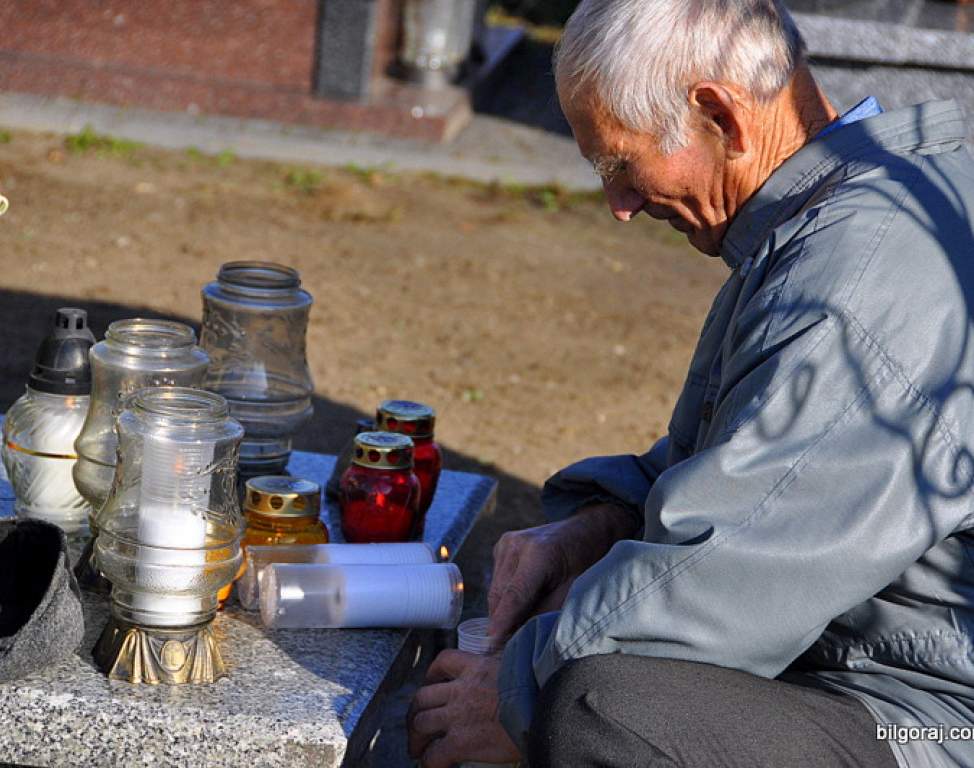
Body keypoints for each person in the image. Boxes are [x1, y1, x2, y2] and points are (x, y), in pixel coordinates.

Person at [407, 0, 974, 765]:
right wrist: (604, 520)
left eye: (620, 164)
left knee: (598, 709)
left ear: (720, 116)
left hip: (936, 720)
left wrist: (512, 696)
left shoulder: (855, 285)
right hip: (881, 676)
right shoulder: (848, 215)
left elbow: (732, 578)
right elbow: (748, 454)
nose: (619, 206)